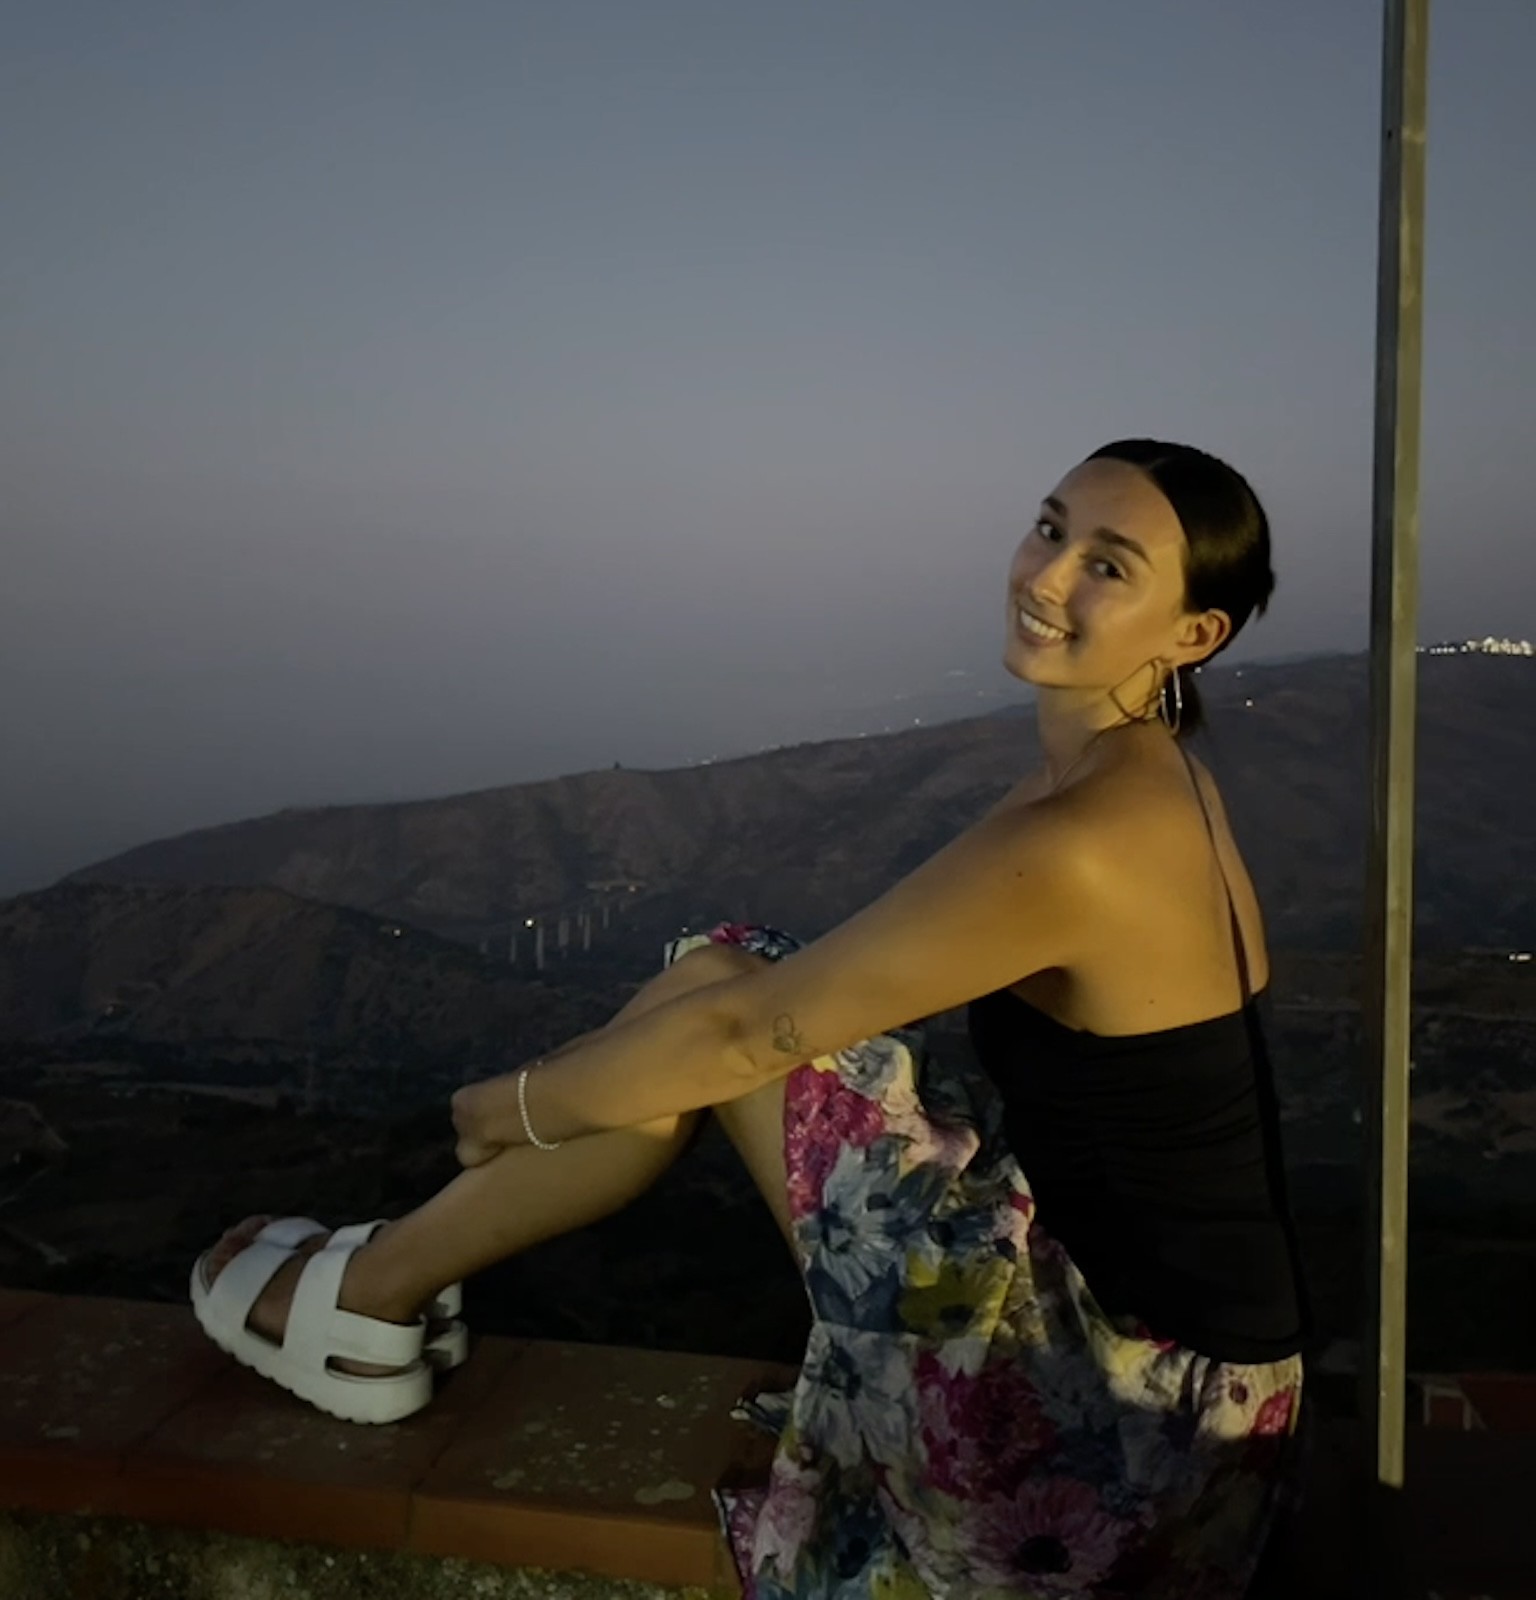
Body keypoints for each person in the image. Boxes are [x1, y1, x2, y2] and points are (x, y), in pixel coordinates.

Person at [192, 439, 1310, 1598]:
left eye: (1108, 565)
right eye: (1049, 525)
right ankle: (381, 1276)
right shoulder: (1136, 771)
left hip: (1115, 1427)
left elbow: (751, 1040)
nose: (1047, 574)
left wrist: (494, 1108)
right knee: (721, 974)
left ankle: (368, 1299)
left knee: (719, 1016)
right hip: (1196, 1383)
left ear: (1193, 634)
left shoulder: (1089, 834)